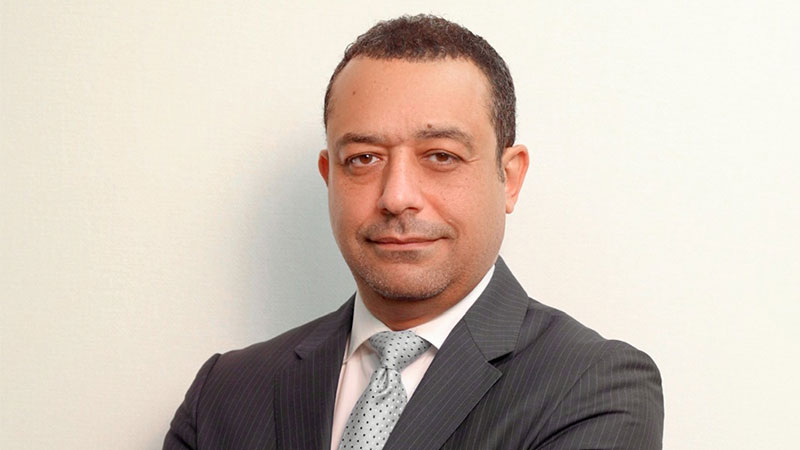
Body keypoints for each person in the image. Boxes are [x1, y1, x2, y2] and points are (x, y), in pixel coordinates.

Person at [164, 14, 663, 450]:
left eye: (441, 156)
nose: (397, 196)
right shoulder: (224, 392)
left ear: (509, 178)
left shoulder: (595, 387)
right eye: (364, 158)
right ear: (330, 178)